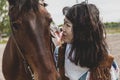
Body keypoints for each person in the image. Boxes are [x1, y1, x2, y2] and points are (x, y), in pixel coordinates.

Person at [54, 2, 119, 80]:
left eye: (67, 25)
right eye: (64, 23)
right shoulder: (60, 53)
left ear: (82, 31)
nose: (62, 28)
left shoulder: (104, 61)